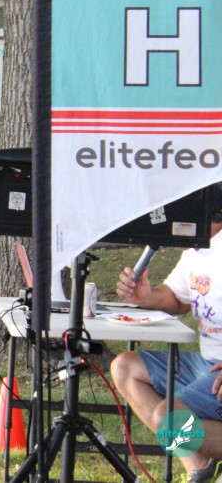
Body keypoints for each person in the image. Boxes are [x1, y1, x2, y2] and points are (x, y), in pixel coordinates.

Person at [111, 186, 222, 483]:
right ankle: (199, 465)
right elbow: (177, 298)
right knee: (125, 367)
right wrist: (145, 296)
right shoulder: (196, 250)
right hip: (208, 362)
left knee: (169, 421)